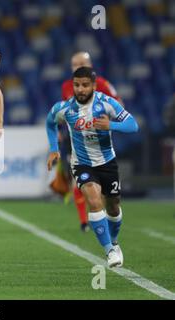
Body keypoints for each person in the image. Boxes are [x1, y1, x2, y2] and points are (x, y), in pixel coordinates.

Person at [46, 66, 138, 267]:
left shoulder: (107, 104)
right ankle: (109, 251)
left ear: (94, 86)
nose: (80, 89)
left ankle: (114, 242)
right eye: (77, 85)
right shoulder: (65, 108)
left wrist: (110, 126)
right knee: (94, 201)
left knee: (113, 207)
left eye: (85, 85)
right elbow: (50, 121)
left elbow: (133, 125)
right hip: (82, 164)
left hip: (107, 163)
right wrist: (54, 148)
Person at [57, 51, 123, 233]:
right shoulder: (66, 86)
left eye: (80, 63)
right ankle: (84, 222)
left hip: (99, 142)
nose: (77, 67)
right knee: (78, 181)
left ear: (90, 65)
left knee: (104, 191)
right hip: (76, 140)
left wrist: (109, 123)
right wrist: (58, 130)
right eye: (74, 64)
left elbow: (120, 106)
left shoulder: (102, 84)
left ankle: (100, 216)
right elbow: (65, 112)